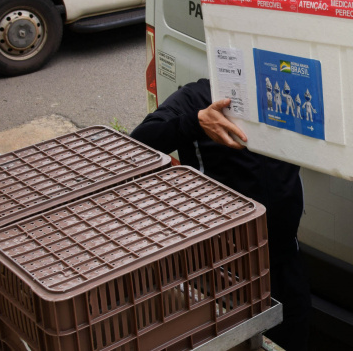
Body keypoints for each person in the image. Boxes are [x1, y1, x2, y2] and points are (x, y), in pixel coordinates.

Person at [130, 79, 310, 351]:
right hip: (220, 268)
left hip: (283, 260)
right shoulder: (199, 97)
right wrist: (196, 121)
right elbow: (138, 143)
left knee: (293, 336)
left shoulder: (284, 96)